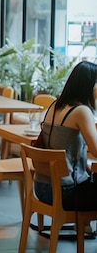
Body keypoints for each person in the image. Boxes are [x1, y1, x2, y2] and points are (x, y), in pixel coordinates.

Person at [34, 61, 97, 211]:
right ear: (89, 86)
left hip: (42, 188)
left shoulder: (54, 105)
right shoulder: (81, 111)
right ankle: (84, 225)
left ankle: (84, 226)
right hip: (65, 193)